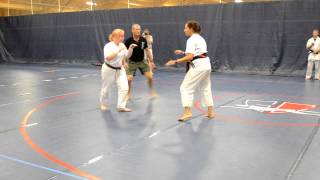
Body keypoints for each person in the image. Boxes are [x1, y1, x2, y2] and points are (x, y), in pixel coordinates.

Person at [166, 20, 214, 121]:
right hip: (206, 65)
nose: (184, 30)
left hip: (198, 66)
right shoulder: (200, 38)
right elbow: (198, 53)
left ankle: (187, 112)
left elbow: (191, 57)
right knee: (205, 87)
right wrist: (183, 52)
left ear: (191, 28)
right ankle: (210, 112)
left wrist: (175, 61)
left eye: (185, 28)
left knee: (185, 87)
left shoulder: (191, 39)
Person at [100, 29, 136, 112]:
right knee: (106, 88)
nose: (122, 38)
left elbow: (127, 56)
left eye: (123, 36)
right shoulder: (108, 46)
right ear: (114, 37)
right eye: (120, 36)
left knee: (124, 87)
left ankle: (121, 106)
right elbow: (108, 57)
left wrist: (130, 48)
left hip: (120, 69)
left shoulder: (122, 45)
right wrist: (118, 50)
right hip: (109, 69)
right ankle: (103, 104)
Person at [125, 24, 157, 98]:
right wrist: (125, 62)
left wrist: (151, 61)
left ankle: (151, 91)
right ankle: (128, 93)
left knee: (150, 77)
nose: (138, 31)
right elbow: (124, 52)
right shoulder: (128, 41)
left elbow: (147, 50)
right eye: (136, 29)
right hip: (131, 62)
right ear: (132, 30)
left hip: (142, 61)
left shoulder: (143, 40)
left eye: (139, 29)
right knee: (129, 78)